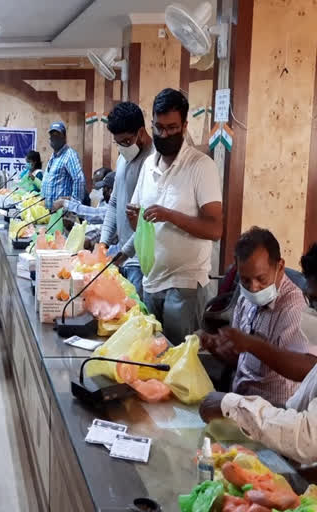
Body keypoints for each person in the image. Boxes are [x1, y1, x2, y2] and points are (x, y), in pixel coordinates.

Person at [200, 232, 317, 472]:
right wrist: (220, 349)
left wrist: (233, 405)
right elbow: (297, 409)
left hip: (285, 432)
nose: (313, 312)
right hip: (271, 421)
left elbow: (309, 436)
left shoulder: (291, 306)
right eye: (311, 302)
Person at [127, 88, 223, 346]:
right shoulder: (148, 165)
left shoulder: (201, 167)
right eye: (159, 128)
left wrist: (170, 215)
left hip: (185, 283)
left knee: (178, 361)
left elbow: (215, 229)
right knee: (151, 357)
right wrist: (134, 218)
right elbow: (141, 224)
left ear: (184, 126)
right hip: (151, 280)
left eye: (171, 128)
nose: (164, 134)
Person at [200, 227, 317, 406]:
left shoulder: (294, 307)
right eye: (245, 279)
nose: (253, 287)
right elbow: (241, 361)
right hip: (242, 400)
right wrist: (217, 347)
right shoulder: (245, 296)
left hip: (275, 410)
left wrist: (252, 344)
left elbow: (308, 369)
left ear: (280, 267)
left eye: (261, 278)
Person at [96, 101, 154, 297]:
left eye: (127, 141)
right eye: (118, 142)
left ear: (141, 132)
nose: (122, 147)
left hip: (140, 261)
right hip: (122, 255)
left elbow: (149, 222)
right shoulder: (123, 157)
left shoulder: (154, 161)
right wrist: (103, 242)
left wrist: (127, 252)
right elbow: (114, 203)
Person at [41, 121, 86, 210]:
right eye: (52, 135)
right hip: (49, 212)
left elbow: (79, 179)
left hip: (62, 213)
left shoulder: (69, 155)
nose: (54, 138)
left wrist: (74, 203)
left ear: (64, 138)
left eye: (57, 135)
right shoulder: (54, 156)